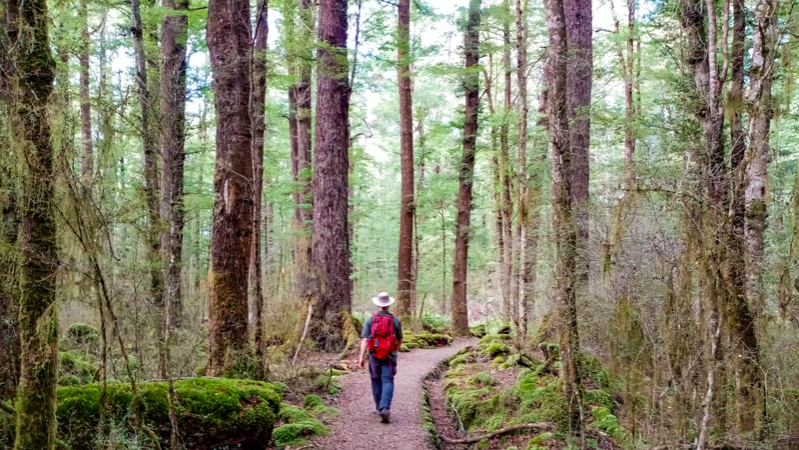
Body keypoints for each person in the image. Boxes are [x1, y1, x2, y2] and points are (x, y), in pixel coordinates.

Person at [358, 292, 403, 423]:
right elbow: (399, 339)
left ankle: (379, 407)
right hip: (389, 356)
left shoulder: (370, 319)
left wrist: (361, 357)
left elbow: (365, 340)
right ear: (388, 304)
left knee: (376, 380)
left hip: (374, 355)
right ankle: (385, 408)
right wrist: (394, 350)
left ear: (378, 304)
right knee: (388, 381)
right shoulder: (395, 320)